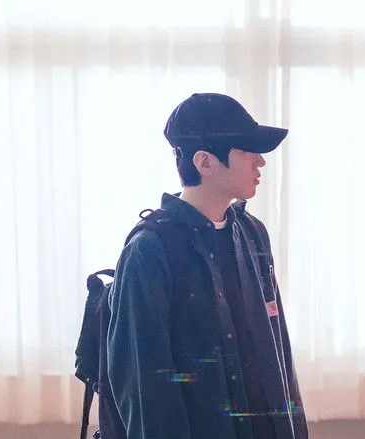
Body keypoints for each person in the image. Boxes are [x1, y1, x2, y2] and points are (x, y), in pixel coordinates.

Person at [106, 93, 308, 439]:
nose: (260, 162)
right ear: (205, 162)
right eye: (247, 151)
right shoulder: (150, 251)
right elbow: (146, 389)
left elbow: (277, 353)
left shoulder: (252, 233)